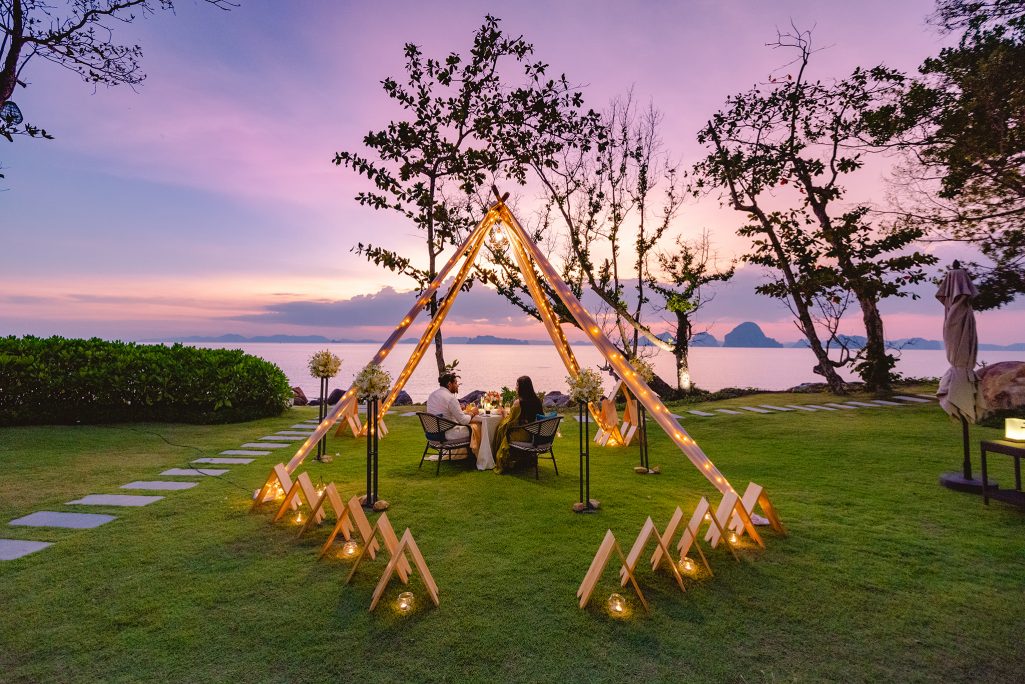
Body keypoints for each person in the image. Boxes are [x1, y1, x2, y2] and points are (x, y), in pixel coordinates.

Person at [494, 375, 545, 474]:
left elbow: (509, 421)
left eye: (517, 385)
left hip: (524, 434)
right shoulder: (537, 400)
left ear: (522, 387)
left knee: (501, 429)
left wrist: (503, 413)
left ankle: (503, 460)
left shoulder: (519, 403)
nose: (515, 387)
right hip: (535, 434)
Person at [425, 372, 478, 441]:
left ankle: (465, 452)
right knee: (477, 428)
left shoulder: (432, 395)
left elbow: (443, 412)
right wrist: (472, 413)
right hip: (445, 434)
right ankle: (478, 451)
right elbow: (464, 421)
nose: (457, 385)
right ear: (449, 384)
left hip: (431, 433)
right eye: (455, 383)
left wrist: (459, 409)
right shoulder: (450, 398)